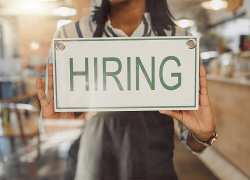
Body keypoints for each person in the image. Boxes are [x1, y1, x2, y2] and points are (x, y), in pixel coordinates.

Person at [36, 0, 216, 179]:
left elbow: (194, 143)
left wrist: (205, 134)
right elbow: (57, 128)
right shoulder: (69, 36)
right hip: (88, 171)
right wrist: (55, 131)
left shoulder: (180, 40)